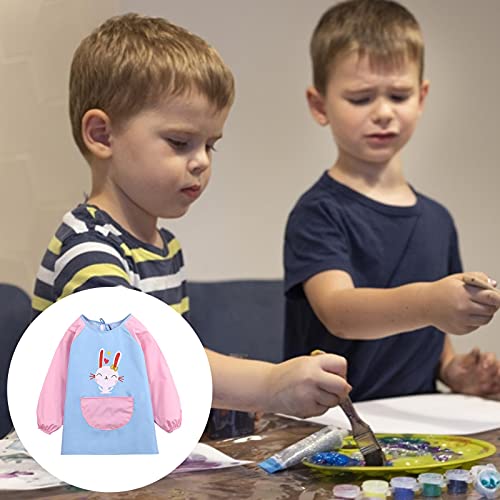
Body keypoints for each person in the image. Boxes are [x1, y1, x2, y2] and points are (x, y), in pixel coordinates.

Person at [31, 13, 351, 419]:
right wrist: (268, 385)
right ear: (101, 135)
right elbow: (138, 361)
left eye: (210, 145)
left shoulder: (165, 248)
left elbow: (168, 371)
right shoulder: (88, 247)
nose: (201, 161)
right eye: (180, 142)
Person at [283, 0, 500, 402]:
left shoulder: (438, 220)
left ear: (422, 97)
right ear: (319, 105)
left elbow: (431, 338)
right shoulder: (319, 212)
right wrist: (430, 302)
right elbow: (339, 312)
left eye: (399, 96)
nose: (383, 112)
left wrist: (453, 371)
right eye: (361, 98)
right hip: (333, 419)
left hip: (419, 421)